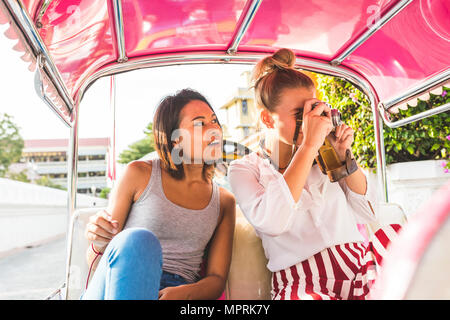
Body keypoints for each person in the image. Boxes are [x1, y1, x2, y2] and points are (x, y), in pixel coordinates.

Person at [227, 48, 400, 300]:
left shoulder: (325, 152)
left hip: (358, 266)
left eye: (313, 110)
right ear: (267, 119)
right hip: (301, 285)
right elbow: (273, 222)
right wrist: (308, 146)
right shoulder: (244, 169)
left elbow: (370, 212)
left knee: (396, 237)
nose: (310, 121)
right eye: (299, 115)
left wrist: (344, 158)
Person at [82, 89, 236, 300]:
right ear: (175, 140)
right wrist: (98, 242)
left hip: (176, 291)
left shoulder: (224, 201)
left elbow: (217, 278)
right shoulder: (139, 174)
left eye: (215, 121)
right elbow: (98, 260)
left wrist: (186, 293)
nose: (215, 130)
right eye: (200, 124)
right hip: (116, 284)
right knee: (138, 239)